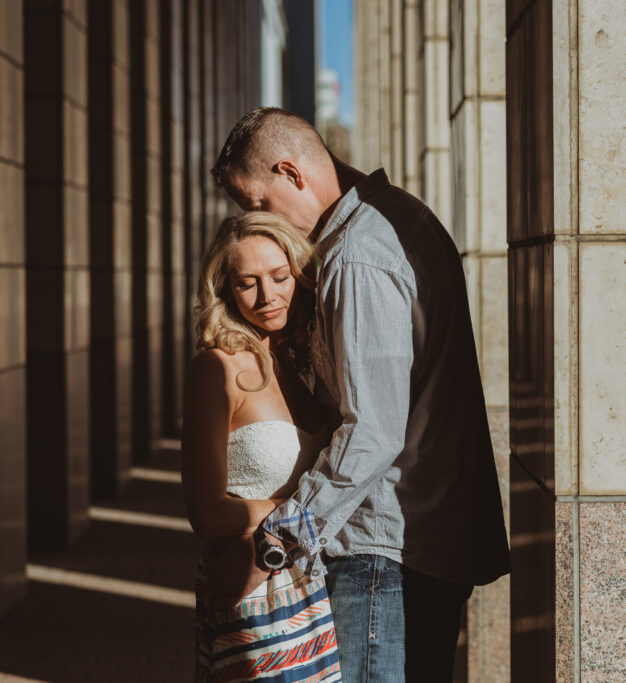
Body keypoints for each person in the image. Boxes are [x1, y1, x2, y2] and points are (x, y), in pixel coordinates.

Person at [209, 107, 511, 682]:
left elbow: (370, 433)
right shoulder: (399, 218)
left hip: (385, 551)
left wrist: (276, 544)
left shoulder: (358, 256)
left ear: (290, 174)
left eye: (257, 203)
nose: (258, 220)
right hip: (418, 542)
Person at [181, 212, 342, 681]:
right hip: (252, 592)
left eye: (279, 276)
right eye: (247, 282)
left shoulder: (298, 362)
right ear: (226, 289)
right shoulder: (217, 368)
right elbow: (206, 513)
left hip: (314, 592)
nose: (268, 296)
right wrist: (293, 513)